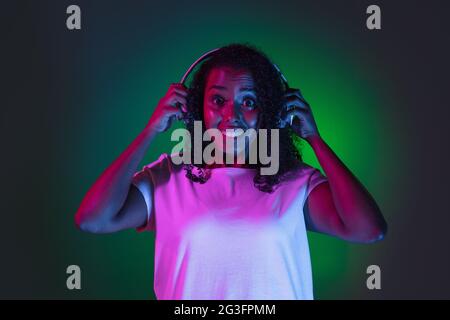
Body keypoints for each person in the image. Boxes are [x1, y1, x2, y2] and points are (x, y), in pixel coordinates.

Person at [75, 43, 387, 300]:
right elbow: (92, 219)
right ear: (196, 107)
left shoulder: (296, 182)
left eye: (248, 101)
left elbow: (369, 230)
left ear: (271, 110)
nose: (231, 115)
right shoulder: (168, 177)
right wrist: (150, 131)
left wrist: (315, 139)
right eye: (218, 100)